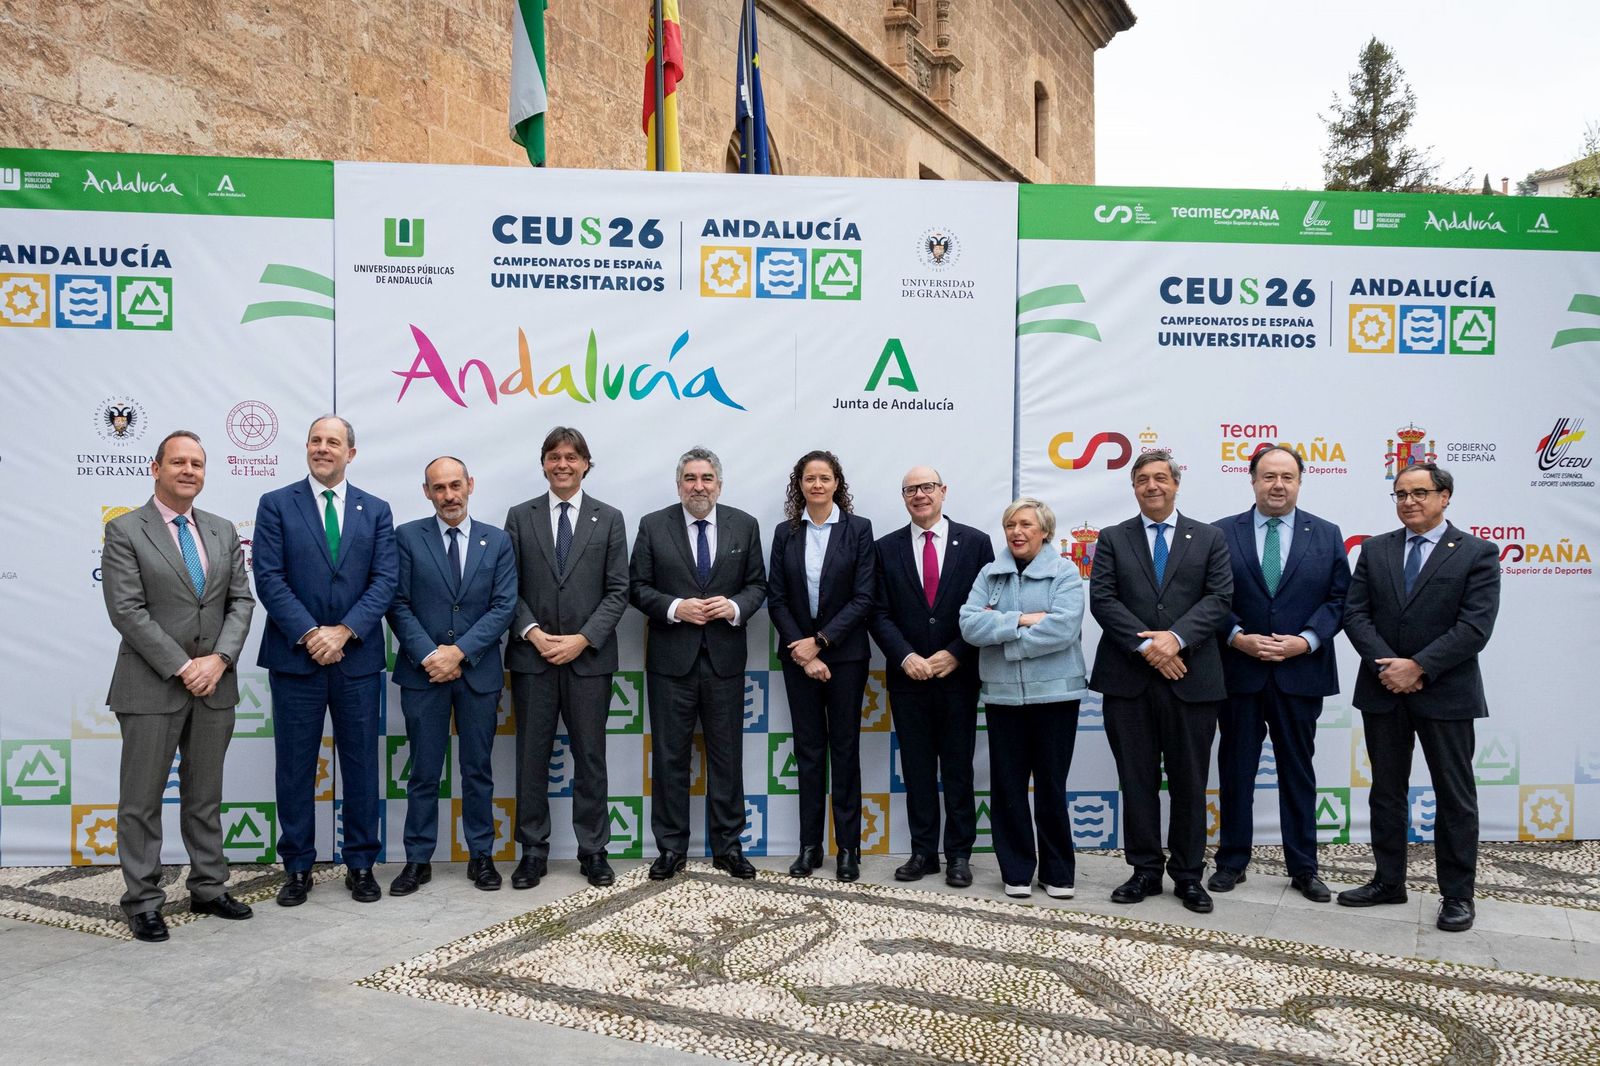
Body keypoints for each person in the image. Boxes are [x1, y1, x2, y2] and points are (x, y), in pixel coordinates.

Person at [100, 430, 255, 941]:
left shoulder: (220, 530)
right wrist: (182, 665)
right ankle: (143, 900)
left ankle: (209, 888)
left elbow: (241, 602)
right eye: (178, 462)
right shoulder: (125, 530)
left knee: (204, 795)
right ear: (156, 467)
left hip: (216, 683)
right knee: (140, 801)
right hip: (151, 686)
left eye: (197, 464)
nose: (189, 471)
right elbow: (126, 609)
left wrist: (221, 659)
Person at [1340, 463, 1499, 932]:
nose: (1409, 501)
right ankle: (1388, 881)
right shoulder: (1375, 549)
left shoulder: (1477, 553)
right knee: (1386, 792)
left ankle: (1457, 895)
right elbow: (1355, 614)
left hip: (1446, 693)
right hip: (1383, 689)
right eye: (1400, 494)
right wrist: (1389, 665)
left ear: (1445, 496)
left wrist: (1420, 667)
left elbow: (1475, 627)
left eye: (1420, 493)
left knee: (1454, 796)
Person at [255, 415, 397, 906]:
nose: (322, 448)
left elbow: (385, 580)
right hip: (297, 658)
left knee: (360, 765)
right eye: (315, 440)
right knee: (294, 767)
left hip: (355, 659)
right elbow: (269, 578)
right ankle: (297, 867)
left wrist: (343, 631)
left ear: (350, 454)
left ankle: (361, 863)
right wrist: (312, 633)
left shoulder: (376, 510)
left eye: (332, 442)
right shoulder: (275, 504)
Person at [1088, 449, 1232, 914]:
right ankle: (1145, 870)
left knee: (1191, 781)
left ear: (1176, 483)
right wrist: (1150, 648)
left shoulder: (1210, 538)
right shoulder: (1112, 538)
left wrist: (1176, 639)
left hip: (1192, 678)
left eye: (1160, 478)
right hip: (1129, 680)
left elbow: (1219, 597)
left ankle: (1189, 876)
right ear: (1134, 487)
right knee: (1137, 779)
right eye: (1143, 480)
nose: (1152, 486)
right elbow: (1103, 600)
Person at [1210, 445, 1350, 902]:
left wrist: (1306, 640)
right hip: (1239, 673)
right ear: (1251, 481)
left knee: (1297, 772)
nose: (1277, 485)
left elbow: (1339, 600)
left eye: (1287, 477)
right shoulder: (1219, 534)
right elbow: (1210, 600)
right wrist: (1236, 637)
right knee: (1235, 771)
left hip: (1300, 673)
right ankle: (1231, 861)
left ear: (1300, 482)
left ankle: (1304, 867)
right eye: (1268, 476)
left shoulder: (1327, 535)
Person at [629, 447, 768, 880]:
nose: (698, 486)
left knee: (727, 756)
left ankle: (728, 846)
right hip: (671, 662)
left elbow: (758, 585)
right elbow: (636, 587)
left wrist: (732, 606)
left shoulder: (744, 525)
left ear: (719, 485)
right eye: (690, 478)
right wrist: (674, 608)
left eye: (706, 478)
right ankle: (671, 849)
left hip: (724, 660)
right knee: (670, 757)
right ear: (679, 484)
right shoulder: (654, 525)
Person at [503, 426, 629, 889]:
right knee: (531, 758)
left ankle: (593, 850)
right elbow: (507, 588)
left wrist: (582, 638)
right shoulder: (520, 516)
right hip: (532, 658)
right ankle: (533, 852)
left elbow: (619, 591)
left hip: (588, 659)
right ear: (543, 464)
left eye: (571, 457)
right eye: (554, 456)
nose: (562, 464)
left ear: (585, 464)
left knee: (591, 758)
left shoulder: (609, 518)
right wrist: (534, 633)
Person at [385, 457, 516, 894]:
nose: (449, 495)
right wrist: (429, 655)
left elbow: (503, 606)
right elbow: (396, 603)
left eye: (455, 485)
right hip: (424, 675)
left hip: (477, 673)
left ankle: (481, 856)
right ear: (427, 492)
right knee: (423, 771)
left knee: (477, 769)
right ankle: (417, 859)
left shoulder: (496, 541)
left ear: (470, 485)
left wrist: (459, 652)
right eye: (438, 488)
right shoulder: (406, 537)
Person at [869, 466, 994, 888]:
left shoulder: (976, 543)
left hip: (958, 677)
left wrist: (958, 653)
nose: (919, 495)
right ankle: (923, 851)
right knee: (917, 768)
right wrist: (904, 656)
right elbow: (878, 612)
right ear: (904, 497)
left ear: (943, 491)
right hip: (908, 678)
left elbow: (988, 608)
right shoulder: (885, 548)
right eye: (911, 489)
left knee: (958, 768)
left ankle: (959, 854)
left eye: (927, 487)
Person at [958, 497, 1086, 899]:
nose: (1017, 532)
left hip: (1056, 698)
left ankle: (1057, 873)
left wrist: (1005, 639)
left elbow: (1063, 629)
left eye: (1026, 524)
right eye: (1011, 524)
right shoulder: (989, 574)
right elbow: (968, 625)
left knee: (1051, 785)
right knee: (1008, 788)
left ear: (1044, 531)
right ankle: (1015, 870)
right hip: (1003, 699)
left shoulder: (1065, 572)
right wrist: (1020, 619)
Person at [768, 450, 876, 881]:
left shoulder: (859, 530)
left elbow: (864, 597)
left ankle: (848, 848)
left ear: (837, 484)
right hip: (798, 658)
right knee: (809, 753)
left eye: (825, 478)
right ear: (799, 485)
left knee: (845, 751)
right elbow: (776, 597)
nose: (816, 485)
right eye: (809, 478)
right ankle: (810, 847)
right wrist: (803, 650)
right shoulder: (785, 532)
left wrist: (821, 643)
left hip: (846, 657)